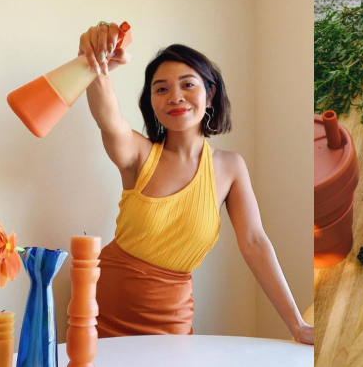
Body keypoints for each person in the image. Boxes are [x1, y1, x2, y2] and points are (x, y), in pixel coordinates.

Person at [81, 21, 313, 344]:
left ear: (209, 94)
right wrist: (95, 63)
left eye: (187, 84)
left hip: (171, 320)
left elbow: (255, 243)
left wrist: (297, 325)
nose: (175, 96)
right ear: (151, 102)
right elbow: (108, 118)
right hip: (101, 316)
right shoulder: (138, 154)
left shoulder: (230, 168)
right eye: (161, 89)